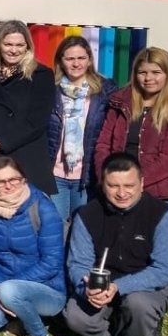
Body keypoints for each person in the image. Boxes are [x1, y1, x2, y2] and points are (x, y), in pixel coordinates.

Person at [62, 153, 168, 336]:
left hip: (146, 286)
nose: (122, 193)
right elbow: (78, 263)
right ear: (103, 184)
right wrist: (86, 288)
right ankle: (121, 335)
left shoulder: (164, 215)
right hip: (102, 283)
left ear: (142, 183)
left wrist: (119, 287)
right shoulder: (87, 215)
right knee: (74, 318)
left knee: (138, 304)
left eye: (129, 185)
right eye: (113, 185)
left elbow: (163, 270)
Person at [0, 157, 67, 336]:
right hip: (2, 284)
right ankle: (20, 316)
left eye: (14, 179)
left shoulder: (43, 208)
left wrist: (10, 287)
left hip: (47, 288)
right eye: (0, 182)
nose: (8, 186)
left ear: (23, 178)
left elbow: (52, 262)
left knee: (11, 291)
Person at [93, 47, 168, 211]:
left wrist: (134, 182)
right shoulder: (119, 102)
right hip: (118, 191)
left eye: (156, 72)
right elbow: (103, 145)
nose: (148, 78)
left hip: (161, 194)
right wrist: (106, 177)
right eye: (142, 72)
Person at [0, 20, 56, 200]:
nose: (13, 50)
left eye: (19, 45)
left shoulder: (41, 75)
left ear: (28, 47)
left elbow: (36, 122)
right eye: (8, 44)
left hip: (25, 160)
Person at [46, 35, 117, 228]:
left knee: (84, 229)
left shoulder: (105, 91)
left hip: (87, 176)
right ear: (61, 61)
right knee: (55, 229)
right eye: (69, 58)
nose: (76, 63)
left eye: (81, 58)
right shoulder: (50, 90)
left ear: (89, 60)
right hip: (56, 175)